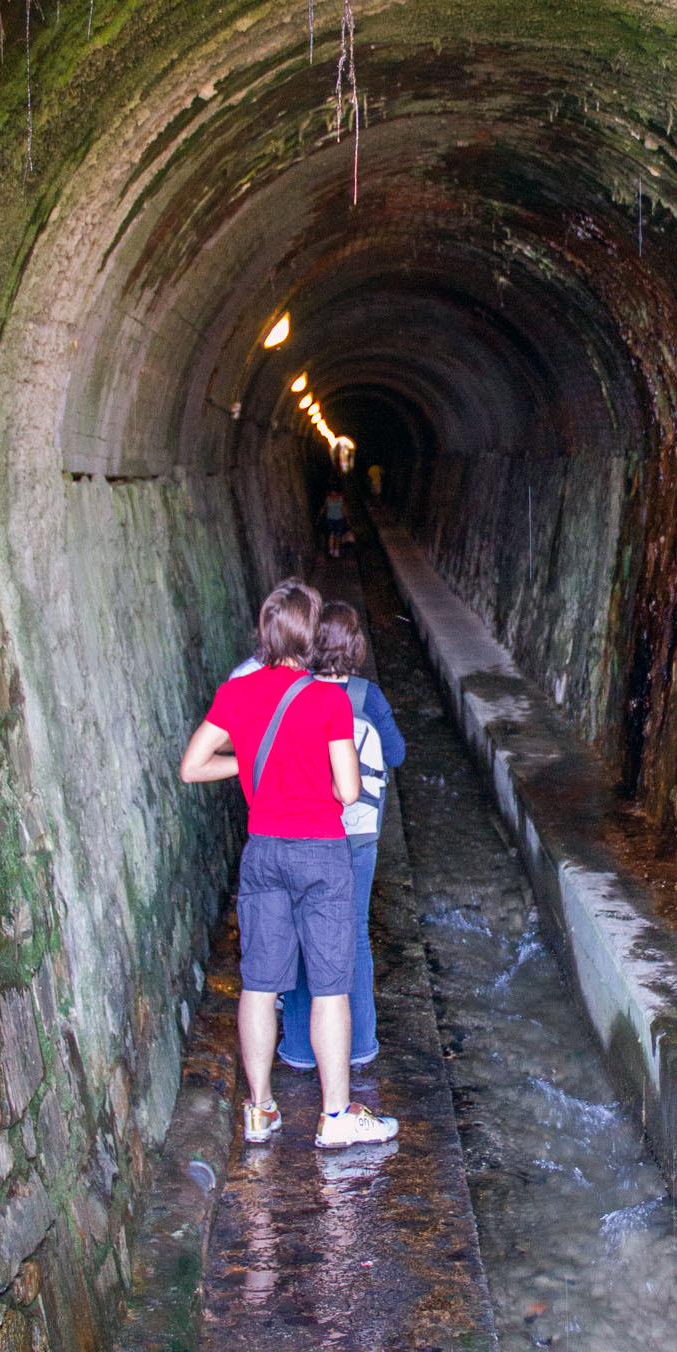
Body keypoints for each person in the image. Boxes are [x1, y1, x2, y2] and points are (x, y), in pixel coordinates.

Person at [179, 578, 398, 1150]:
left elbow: (193, 767)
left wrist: (251, 765)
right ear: (310, 635)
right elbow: (349, 792)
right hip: (320, 854)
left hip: (263, 852)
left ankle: (259, 1110)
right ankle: (334, 1117)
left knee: (259, 983)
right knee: (329, 986)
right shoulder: (327, 700)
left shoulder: (239, 694)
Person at [278, 601, 406, 1074]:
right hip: (358, 838)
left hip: (307, 831)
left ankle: (297, 1049)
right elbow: (396, 753)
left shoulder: (295, 691)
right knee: (353, 936)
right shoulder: (368, 696)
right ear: (355, 647)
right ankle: (361, 1044)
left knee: (301, 932)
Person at [320, 486, 349, 558]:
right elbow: (324, 507)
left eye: (334, 491)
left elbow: (344, 509)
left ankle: (336, 550)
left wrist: (347, 518)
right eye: (332, 492)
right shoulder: (328, 499)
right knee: (331, 534)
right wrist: (319, 516)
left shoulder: (341, 499)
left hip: (340, 519)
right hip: (330, 519)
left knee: (338, 535)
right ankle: (331, 550)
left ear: (337, 492)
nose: (333, 493)